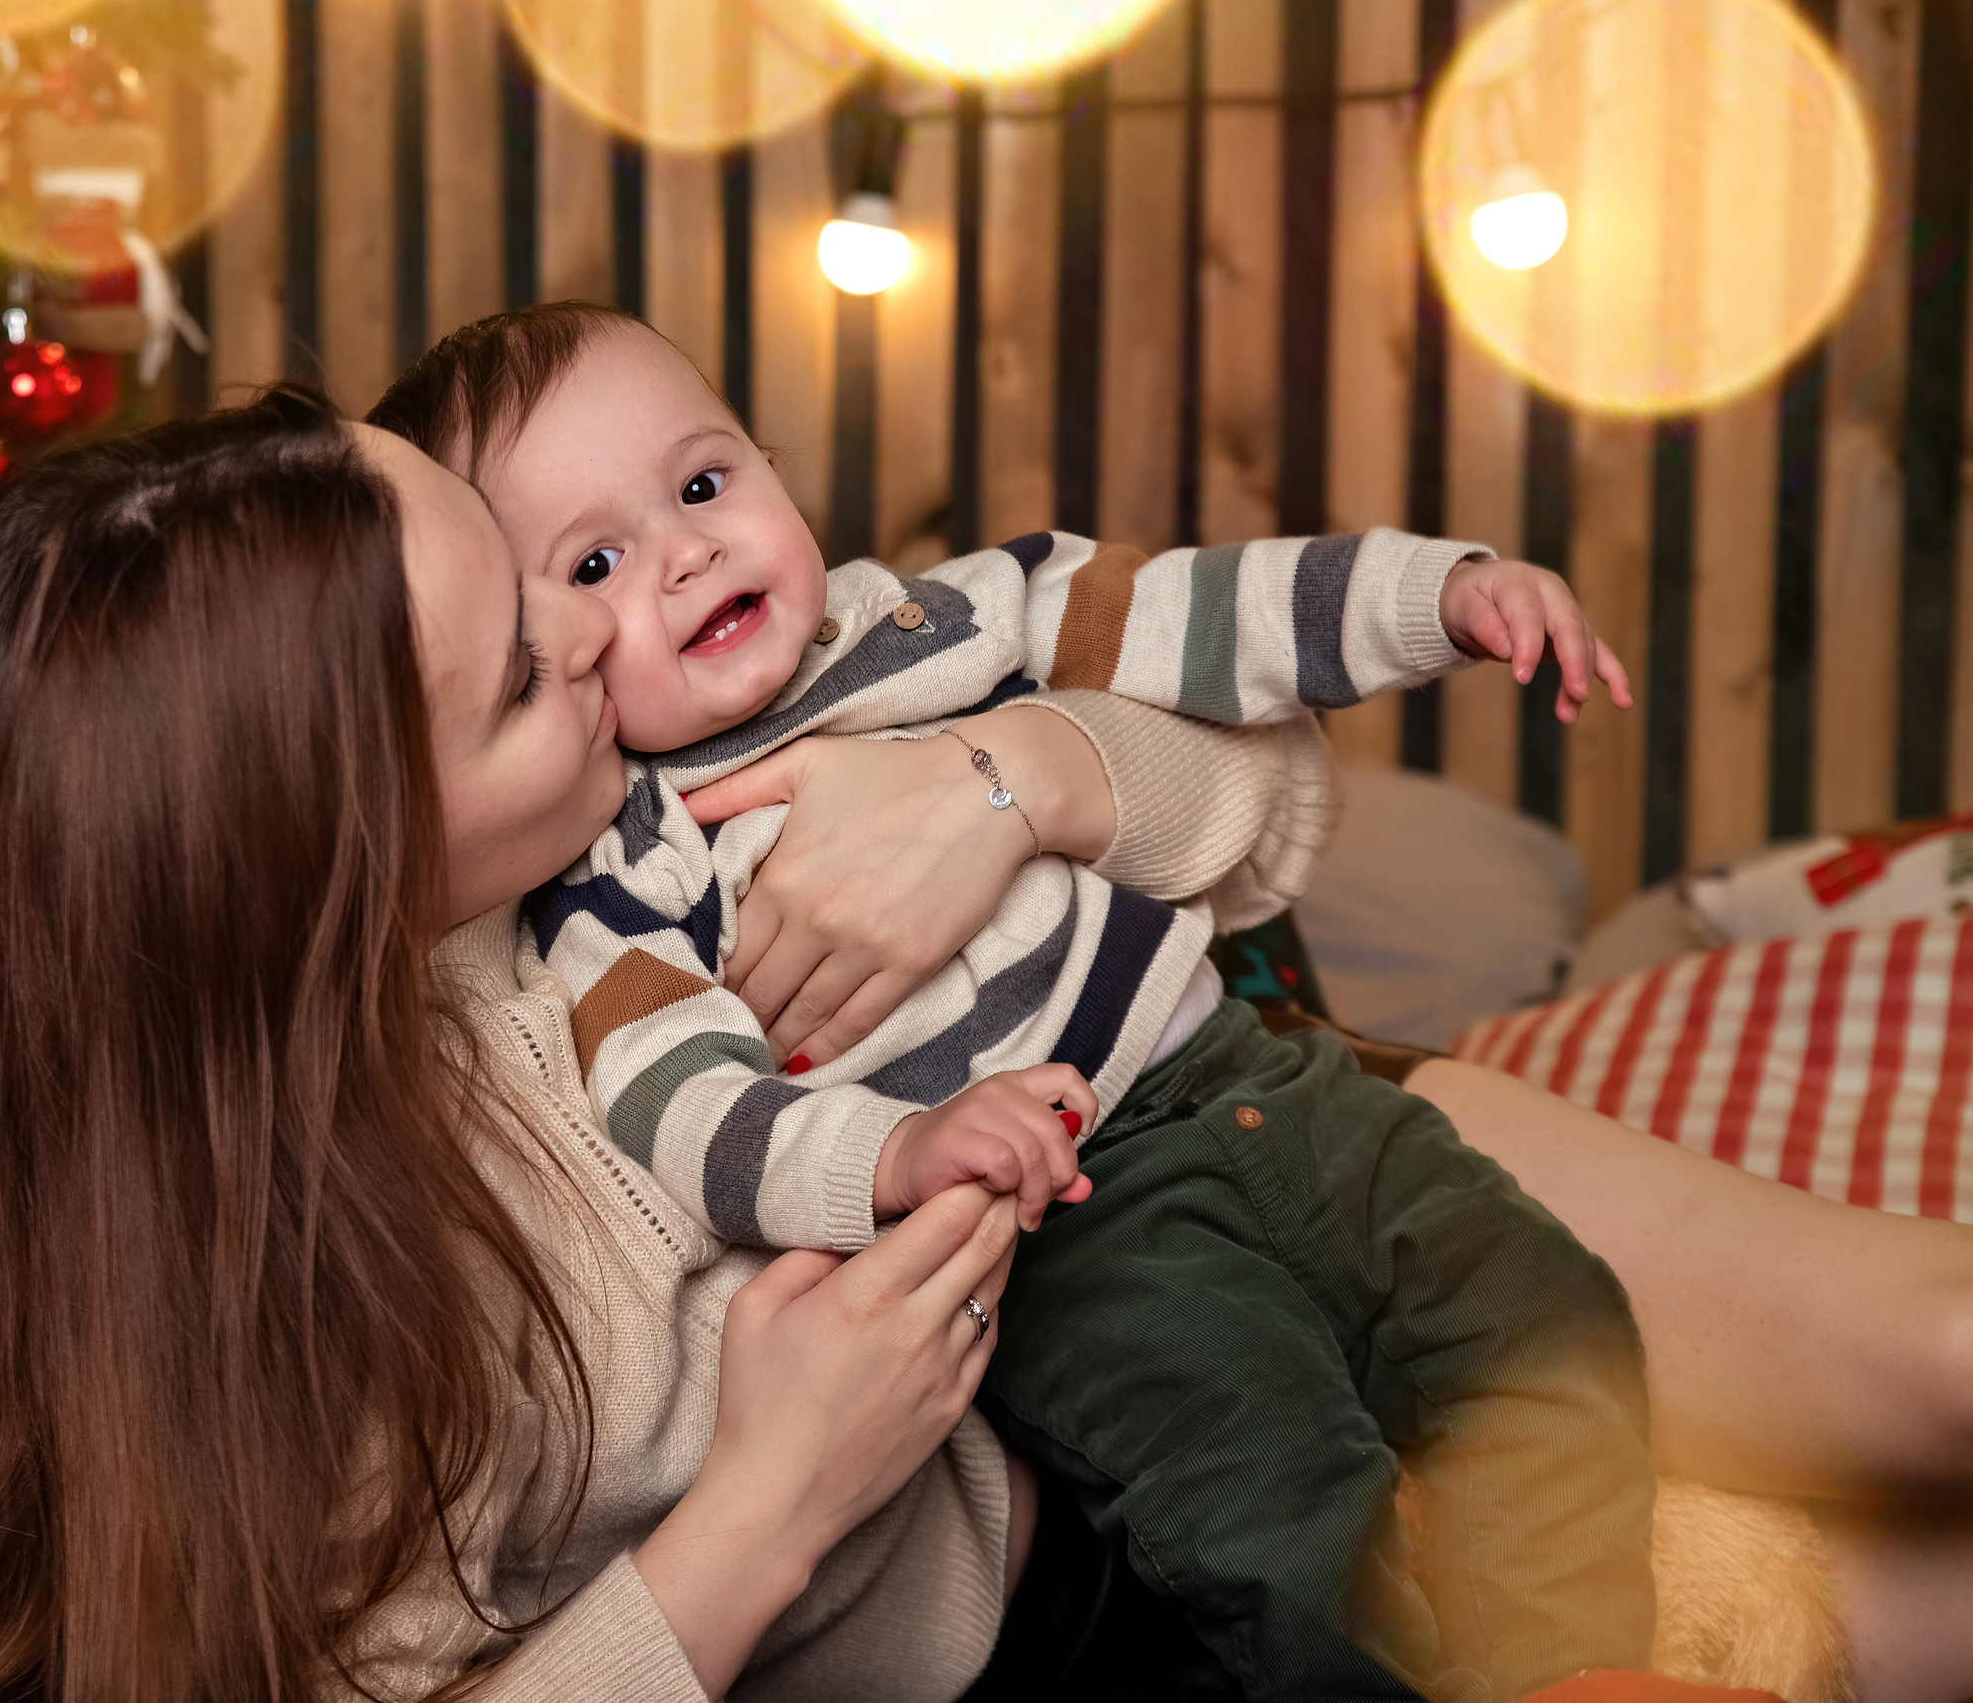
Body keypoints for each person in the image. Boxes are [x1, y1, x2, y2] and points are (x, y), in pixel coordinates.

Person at [0, 386, 1973, 1703]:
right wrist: (763, 1509)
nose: (599, 631)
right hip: (1129, 1430)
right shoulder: (368, 1231)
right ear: (332, 865)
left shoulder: (635, 733)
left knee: (1933, 1357)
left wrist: (1012, 778)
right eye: (527, 663)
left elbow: (1272, 816)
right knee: (1866, 1595)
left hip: (1256, 1103)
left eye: (534, 564)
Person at [365, 300, 1664, 1703]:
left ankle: (1570, 1673)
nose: (686, 555)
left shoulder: (932, 621)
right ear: (539, 640)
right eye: (594, 563)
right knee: (1272, 1483)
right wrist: (899, 1154)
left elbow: (1194, 611)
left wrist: (1440, 598)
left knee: (1550, 1317)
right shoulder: (626, 870)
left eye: (702, 484)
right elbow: (686, 1107)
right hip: (1075, 1217)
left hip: (1254, 1076)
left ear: (773, 465)